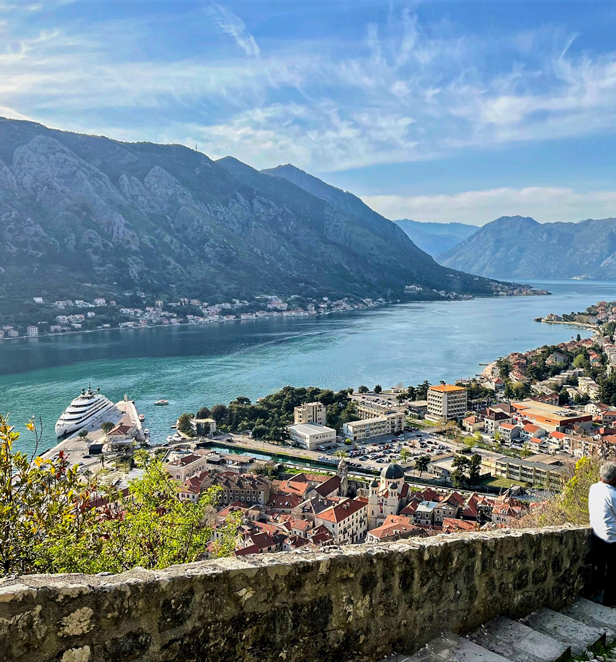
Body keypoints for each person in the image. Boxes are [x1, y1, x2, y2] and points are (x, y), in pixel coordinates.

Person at [589, 461, 616, 606]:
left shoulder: (593, 488)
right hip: (611, 538)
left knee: (598, 566)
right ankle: (609, 600)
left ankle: (594, 593)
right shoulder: (613, 494)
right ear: (613, 479)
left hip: (596, 533)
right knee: (612, 571)